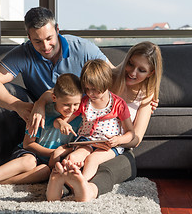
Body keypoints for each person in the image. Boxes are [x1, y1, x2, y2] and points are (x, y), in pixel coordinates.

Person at [0, 6, 113, 163]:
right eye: (37, 41)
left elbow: (112, 75)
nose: (45, 47)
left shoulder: (83, 48)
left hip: (77, 111)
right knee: (8, 90)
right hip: (38, 110)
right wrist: (18, 105)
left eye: (49, 38)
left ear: (57, 29)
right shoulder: (23, 53)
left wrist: (144, 95)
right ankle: (8, 160)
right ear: (28, 37)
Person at [44, 41, 163, 202]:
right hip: (87, 143)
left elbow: (135, 139)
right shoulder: (103, 79)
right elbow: (63, 93)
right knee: (75, 162)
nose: (133, 73)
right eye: (131, 64)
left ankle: (86, 190)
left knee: (105, 169)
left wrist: (115, 141)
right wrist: (39, 105)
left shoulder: (146, 96)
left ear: (150, 73)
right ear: (126, 59)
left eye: (141, 70)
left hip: (117, 148)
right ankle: (60, 186)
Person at [0, 73, 83, 191]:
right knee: (29, 162)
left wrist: (61, 152)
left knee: (44, 171)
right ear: (54, 97)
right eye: (66, 104)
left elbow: (79, 145)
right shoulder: (39, 113)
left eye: (76, 104)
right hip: (31, 154)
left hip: (51, 163)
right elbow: (28, 144)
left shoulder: (81, 117)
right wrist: (52, 152)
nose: (71, 109)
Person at [46, 59, 135, 201]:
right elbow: (62, 120)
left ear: (106, 84)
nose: (90, 93)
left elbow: (131, 133)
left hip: (108, 145)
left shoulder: (118, 104)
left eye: (95, 89)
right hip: (85, 142)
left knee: (92, 160)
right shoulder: (84, 102)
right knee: (74, 157)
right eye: (87, 89)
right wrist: (61, 123)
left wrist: (119, 140)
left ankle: (80, 183)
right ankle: (60, 179)